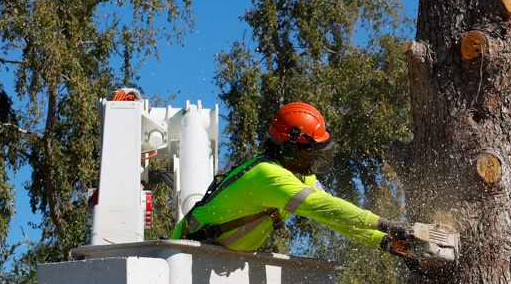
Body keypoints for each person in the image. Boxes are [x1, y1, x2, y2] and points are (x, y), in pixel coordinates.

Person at [170, 102, 410, 256]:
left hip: (215, 257)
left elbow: (333, 216)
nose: (318, 158)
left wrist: (385, 242)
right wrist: (384, 224)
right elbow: (323, 207)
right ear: (290, 151)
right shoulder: (267, 175)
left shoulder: (300, 177)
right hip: (187, 253)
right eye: (314, 152)